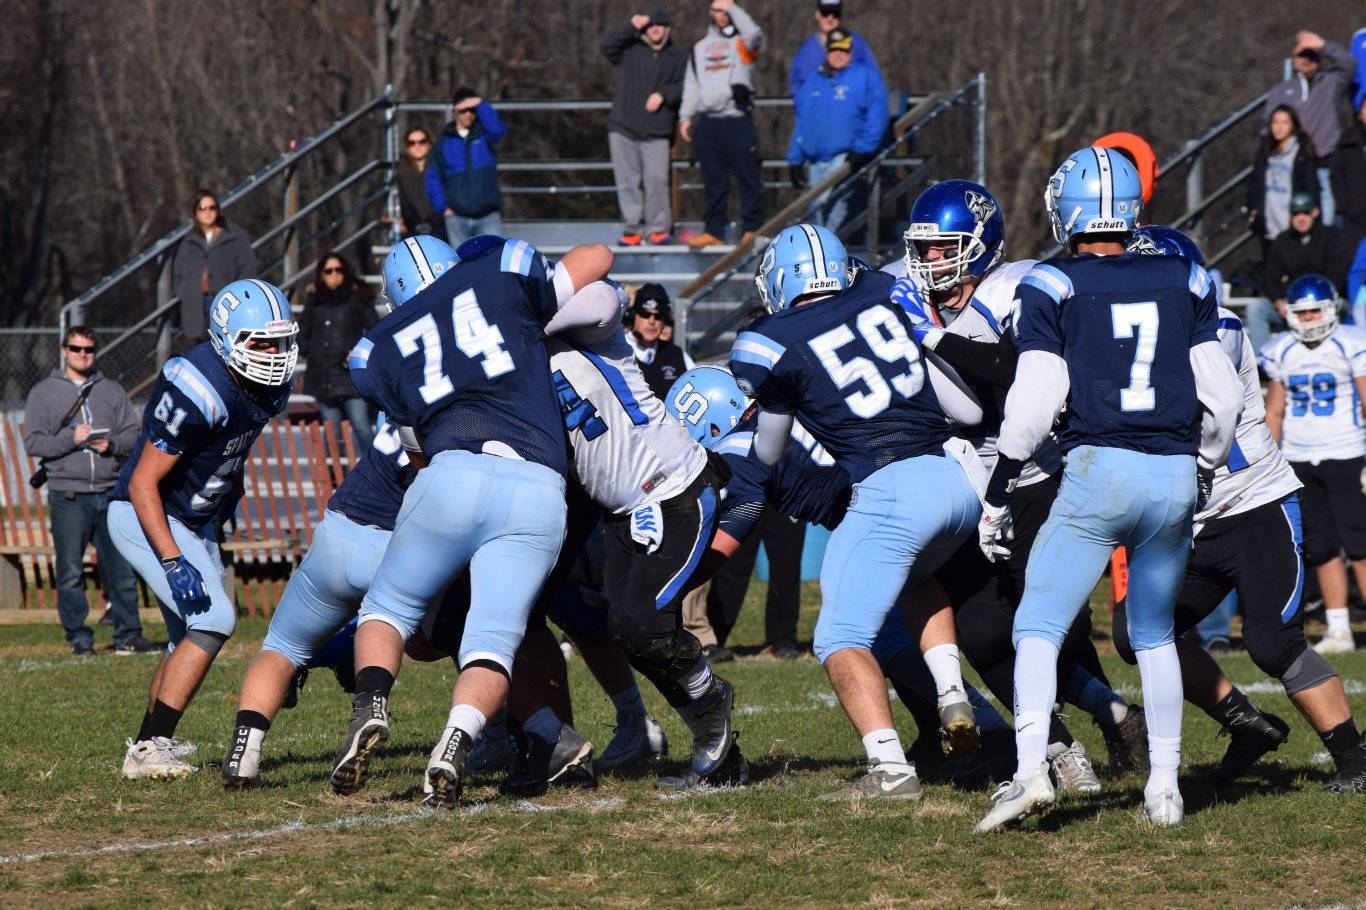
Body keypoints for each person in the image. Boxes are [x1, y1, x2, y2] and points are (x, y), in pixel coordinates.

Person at [973, 147, 1241, 831]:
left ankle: (1031, 772)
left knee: (1036, 625)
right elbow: (1224, 393)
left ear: (1065, 209)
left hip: (1099, 468)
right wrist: (1205, 461)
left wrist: (1001, 485)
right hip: (1175, 472)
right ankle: (1165, 789)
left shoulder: (1052, 284)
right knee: (1153, 634)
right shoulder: (1184, 273)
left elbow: (1036, 398)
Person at [331, 233, 612, 808]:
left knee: (388, 607)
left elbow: (414, 450)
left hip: (455, 471)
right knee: (492, 641)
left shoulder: (377, 347)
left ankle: (372, 704)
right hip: (539, 485)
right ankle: (458, 736)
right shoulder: (499, 276)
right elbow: (597, 257)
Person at [888, 180, 1148, 781]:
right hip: (963, 484)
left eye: (942, 247)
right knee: (981, 633)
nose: (929, 260)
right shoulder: (908, 298)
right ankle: (1059, 747)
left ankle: (1118, 722)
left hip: (1034, 479)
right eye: (922, 248)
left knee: (1053, 625)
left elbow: (1012, 375)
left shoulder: (1017, 286)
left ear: (979, 244)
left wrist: (930, 338)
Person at [730, 224, 987, 800]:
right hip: (956, 477)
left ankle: (889, 768)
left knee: (840, 635)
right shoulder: (884, 289)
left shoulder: (770, 340)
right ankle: (950, 694)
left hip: (889, 488)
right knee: (918, 577)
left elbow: (769, 451)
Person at [1114, 233, 1366, 796]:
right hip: (1188, 520)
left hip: (1255, 506)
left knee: (1272, 641)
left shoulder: (1217, 327)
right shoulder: (1138, 335)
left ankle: (1354, 757)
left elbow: (1186, 398)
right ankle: (1244, 723)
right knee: (1138, 630)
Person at [545, 281, 745, 788]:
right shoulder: (511, 356)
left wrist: (531, 321)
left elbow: (603, 294)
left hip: (674, 489)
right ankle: (718, 755)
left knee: (642, 623)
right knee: (628, 629)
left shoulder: (585, 326)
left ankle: (709, 697)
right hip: (621, 510)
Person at [108, 279, 298, 780]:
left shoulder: (268, 385)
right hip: (144, 513)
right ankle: (150, 748)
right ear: (226, 338)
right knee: (214, 619)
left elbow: (232, 446)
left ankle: (147, 747)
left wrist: (228, 491)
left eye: (280, 342)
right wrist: (172, 559)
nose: (274, 355)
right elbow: (143, 483)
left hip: (197, 519)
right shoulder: (198, 385)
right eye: (260, 343)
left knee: (184, 640)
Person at [22, 326, 150, 656]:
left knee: (121, 569)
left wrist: (112, 445)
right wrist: (72, 439)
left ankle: (128, 635)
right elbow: (34, 442)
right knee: (70, 572)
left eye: (89, 349)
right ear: (64, 350)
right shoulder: (43, 393)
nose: (83, 355)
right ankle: (79, 638)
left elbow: (133, 435)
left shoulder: (111, 390)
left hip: (110, 491)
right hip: (68, 494)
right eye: (77, 349)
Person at [1262, 274, 1366, 656]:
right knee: (1320, 545)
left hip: (1346, 451)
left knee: (1360, 543)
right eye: (1301, 313)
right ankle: (1339, 628)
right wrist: (1269, 461)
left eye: (1313, 312)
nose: (1307, 320)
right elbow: (1275, 410)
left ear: (1330, 309)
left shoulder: (1350, 344)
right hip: (1300, 456)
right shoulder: (1281, 350)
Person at [678, 0, 763, 249]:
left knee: (748, 177)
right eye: (717, 9)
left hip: (737, 119)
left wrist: (732, 7)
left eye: (725, 10)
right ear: (710, 13)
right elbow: (691, 84)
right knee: (713, 180)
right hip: (708, 122)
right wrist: (685, 116)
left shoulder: (742, 43)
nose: (722, 15)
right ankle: (714, 230)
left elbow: (754, 32)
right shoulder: (700, 47)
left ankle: (751, 228)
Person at [600, 7, 687, 246]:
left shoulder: (679, 55)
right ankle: (633, 228)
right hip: (623, 127)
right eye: (651, 25)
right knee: (627, 181)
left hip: (657, 130)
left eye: (660, 25)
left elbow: (687, 85)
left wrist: (664, 94)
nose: (656, 29)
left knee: (657, 179)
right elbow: (606, 45)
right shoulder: (630, 49)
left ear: (667, 28)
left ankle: (658, 228)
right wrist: (631, 25)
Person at [787, 28, 888, 233]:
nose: (839, 54)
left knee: (834, 206)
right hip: (814, 159)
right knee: (816, 208)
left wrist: (862, 148)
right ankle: (819, 252)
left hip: (844, 156)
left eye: (844, 50)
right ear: (827, 51)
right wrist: (794, 159)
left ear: (850, 52)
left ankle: (827, 250)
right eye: (834, 49)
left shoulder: (866, 76)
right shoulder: (814, 80)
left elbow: (877, 115)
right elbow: (801, 122)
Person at [1265, 31, 1358, 226]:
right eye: (1302, 55)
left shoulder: (1331, 82)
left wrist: (1322, 45)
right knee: (1294, 215)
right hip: (1292, 164)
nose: (1306, 60)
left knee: (1328, 216)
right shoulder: (1281, 91)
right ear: (1292, 59)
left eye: (1311, 55)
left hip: (1326, 159)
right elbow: (1267, 127)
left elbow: (1349, 64)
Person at [1248, 191, 1354, 356]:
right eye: (1296, 213)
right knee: (1256, 308)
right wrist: (1278, 301)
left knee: (1341, 305)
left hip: (1324, 302)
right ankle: (1263, 362)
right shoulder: (1282, 240)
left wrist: (1318, 303)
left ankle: (1338, 357)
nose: (1301, 218)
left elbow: (1337, 276)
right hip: (1293, 305)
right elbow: (1270, 277)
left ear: (1315, 212)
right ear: (1290, 215)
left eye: (1306, 212)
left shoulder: (1331, 237)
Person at [298, 252, 378, 455]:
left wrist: (359, 352)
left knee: (360, 423)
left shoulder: (357, 296)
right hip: (322, 374)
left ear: (345, 271)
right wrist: (310, 352)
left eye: (338, 269)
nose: (334, 274)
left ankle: (380, 467)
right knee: (331, 429)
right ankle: (335, 476)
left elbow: (376, 329)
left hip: (350, 372)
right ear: (321, 274)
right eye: (329, 270)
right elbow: (303, 331)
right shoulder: (314, 300)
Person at [169, 190, 256, 347]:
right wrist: (182, 293)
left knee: (225, 348)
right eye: (203, 208)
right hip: (194, 303)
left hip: (226, 302)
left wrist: (239, 298)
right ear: (195, 212)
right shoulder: (188, 240)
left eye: (212, 207)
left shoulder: (235, 235)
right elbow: (178, 273)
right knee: (200, 352)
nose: (208, 212)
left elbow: (247, 269)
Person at [426, 89, 506, 244]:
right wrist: (443, 208)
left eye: (472, 110)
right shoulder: (443, 143)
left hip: (488, 216)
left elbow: (498, 130)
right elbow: (433, 177)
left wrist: (481, 104)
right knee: (461, 265)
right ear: (455, 111)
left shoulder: (485, 137)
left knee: (493, 262)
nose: (468, 114)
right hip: (456, 217)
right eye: (464, 110)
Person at [1248, 105, 1320, 249]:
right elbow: (1255, 182)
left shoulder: (1302, 151)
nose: (1279, 127)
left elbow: (1311, 184)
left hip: (1292, 220)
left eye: (1284, 122)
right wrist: (1253, 207)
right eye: (1275, 122)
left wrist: (1311, 208)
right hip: (1268, 221)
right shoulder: (1265, 150)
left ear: (1293, 125)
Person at [787, 0, 879, 98]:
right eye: (825, 13)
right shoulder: (805, 52)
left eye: (834, 13)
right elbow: (796, 89)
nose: (830, 18)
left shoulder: (858, 45)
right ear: (817, 15)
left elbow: (874, 82)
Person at [625, 283, 694, 397]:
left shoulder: (676, 354)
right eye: (645, 314)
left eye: (658, 316)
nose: (652, 321)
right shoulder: (616, 350)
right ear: (633, 316)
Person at [1331, 98, 1366, 256]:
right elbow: (1337, 174)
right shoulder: (1348, 140)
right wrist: (1346, 206)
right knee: (1352, 259)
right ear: (1360, 114)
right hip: (1354, 216)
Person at [396, 126, 444, 239]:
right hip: (412, 228)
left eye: (422, 142)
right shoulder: (402, 171)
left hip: (441, 226)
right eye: (412, 143)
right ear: (407, 147)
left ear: (429, 144)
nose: (417, 146)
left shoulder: (440, 167)